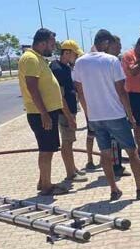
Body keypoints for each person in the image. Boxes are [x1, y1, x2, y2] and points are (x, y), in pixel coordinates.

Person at [73, 29, 140, 201]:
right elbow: (121, 91)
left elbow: (79, 92)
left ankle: (114, 190)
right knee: (132, 152)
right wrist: (130, 115)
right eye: (113, 44)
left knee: (105, 154)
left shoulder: (80, 62)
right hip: (115, 115)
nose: (116, 48)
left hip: (96, 117)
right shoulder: (111, 61)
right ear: (105, 43)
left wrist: (88, 113)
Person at [18, 28, 68, 196]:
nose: (53, 48)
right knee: (46, 150)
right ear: (42, 42)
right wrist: (44, 114)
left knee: (48, 148)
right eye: (51, 44)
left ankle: (43, 181)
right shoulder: (30, 59)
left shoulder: (38, 58)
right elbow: (32, 88)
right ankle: (47, 186)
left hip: (46, 112)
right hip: (41, 114)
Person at [49, 39, 87, 187]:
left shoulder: (65, 67)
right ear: (67, 52)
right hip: (64, 113)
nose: (76, 58)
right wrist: (69, 117)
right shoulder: (57, 69)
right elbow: (60, 95)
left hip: (69, 111)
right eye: (75, 54)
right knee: (67, 142)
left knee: (70, 142)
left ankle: (73, 168)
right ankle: (70, 173)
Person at [108, 36, 129, 178]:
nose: (120, 48)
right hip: (113, 109)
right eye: (118, 46)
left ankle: (117, 163)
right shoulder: (111, 62)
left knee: (113, 142)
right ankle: (116, 167)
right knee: (114, 141)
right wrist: (128, 111)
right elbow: (120, 89)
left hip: (110, 108)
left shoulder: (109, 61)